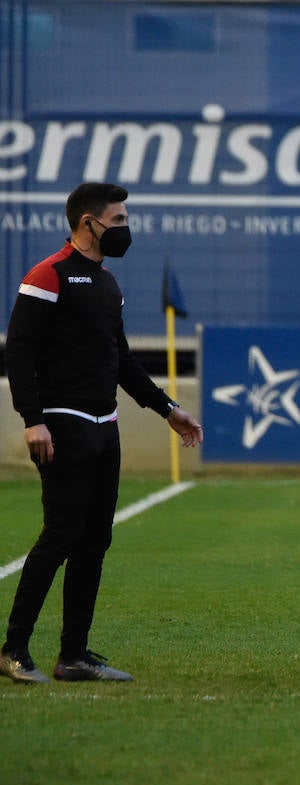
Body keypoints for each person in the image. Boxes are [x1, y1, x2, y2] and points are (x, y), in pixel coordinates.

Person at [1, 182, 204, 684]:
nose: (124, 228)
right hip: (61, 425)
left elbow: (122, 361)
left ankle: (73, 655)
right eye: (116, 220)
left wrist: (168, 409)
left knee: (94, 541)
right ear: (86, 223)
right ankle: (12, 650)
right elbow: (19, 352)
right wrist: (33, 420)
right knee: (59, 536)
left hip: (104, 426)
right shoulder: (46, 276)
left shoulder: (109, 284)